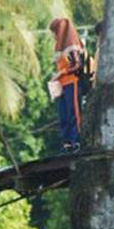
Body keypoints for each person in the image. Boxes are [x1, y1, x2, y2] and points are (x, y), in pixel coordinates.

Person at [50, 18, 84, 153]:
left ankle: (76, 140)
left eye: (55, 31)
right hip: (61, 84)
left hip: (72, 82)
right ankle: (67, 142)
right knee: (63, 113)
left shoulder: (72, 45)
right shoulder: (59, 46)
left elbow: (77, 65)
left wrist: (62, 72)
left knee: (73, 112)